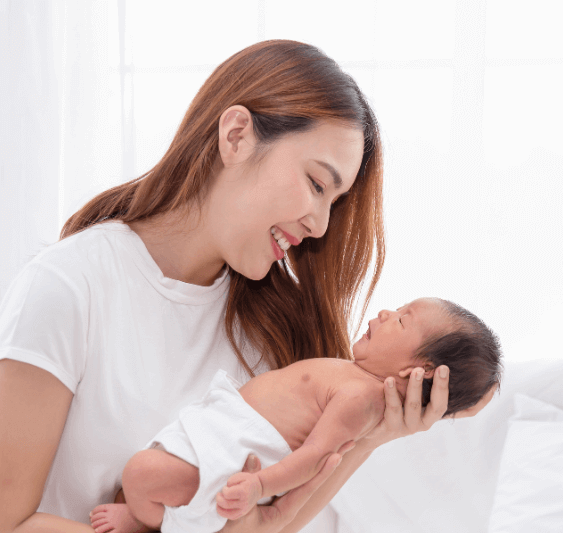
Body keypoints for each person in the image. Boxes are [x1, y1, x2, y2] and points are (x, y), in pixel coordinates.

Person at [0, 40, 496, 533]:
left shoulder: (275, 333)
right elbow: (9, 519)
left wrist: (373, 435)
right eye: (318, 184)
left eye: (334, 203)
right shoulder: (70, 285)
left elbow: (260, 527)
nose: (321, 226)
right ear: (236, 136)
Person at [88, 297, 503, 533]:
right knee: (144, 473)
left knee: (142, 474)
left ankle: (148, 523)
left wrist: (258, 486)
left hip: (235, 466)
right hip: (221, 434)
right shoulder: (352, 376)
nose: (383, 313)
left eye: (401, 320)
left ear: (421, 371)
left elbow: (315, 460)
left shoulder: (361, 399)